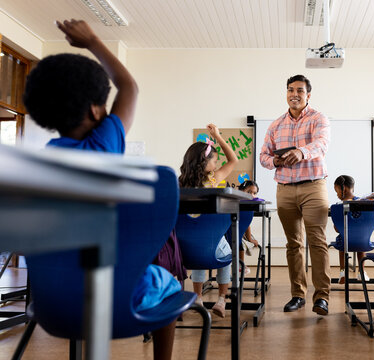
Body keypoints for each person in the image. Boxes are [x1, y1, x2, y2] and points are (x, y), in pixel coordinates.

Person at [23, 19, 177, 360]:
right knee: (168, 282)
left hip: (51, 301)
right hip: (118, 297)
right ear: (96, 109)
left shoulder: (40, 167)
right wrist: (92, 40)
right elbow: (129, 87)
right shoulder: (102, 146)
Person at [260, 74, 331, 315]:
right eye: (291, 90)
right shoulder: (275, 125)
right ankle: (298, 294)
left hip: (313, 186)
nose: (295, 94)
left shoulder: (319, 118)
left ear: (308, 95)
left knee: (317, 241)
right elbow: (263, 157)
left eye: (300, 90)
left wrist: (301, 152)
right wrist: (274, 160)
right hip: (285, 188)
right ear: (286, 93)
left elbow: (322, 143)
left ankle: (321, 297)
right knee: (294, 244)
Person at [178, 123, 239, 318]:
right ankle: (222, 299)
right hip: (211, 245)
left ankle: (197, 297)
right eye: (214, 160)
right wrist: (218, 137)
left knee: (197, 249)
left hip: (184, 249)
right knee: (225, 252)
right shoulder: (213, 180)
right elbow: (233, 160)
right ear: (204, 163)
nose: (217, 163)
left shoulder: (179, 184)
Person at [330, 175, 371, 284]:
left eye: (337, 191)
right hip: (362, 241)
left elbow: (337, 229)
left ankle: (343, 271)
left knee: (342, 238)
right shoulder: (364, 203)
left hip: (345, 242)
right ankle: (361, 271)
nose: (337, 194)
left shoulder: (338, 206)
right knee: (361, 240)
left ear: (344, 189)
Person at [237, 180, 260, 274]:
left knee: (240, 240)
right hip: (230, 234)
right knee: (239, 242)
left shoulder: (249, 207)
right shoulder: (234, 203)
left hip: (239, 234)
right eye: (249, 192)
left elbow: (246, 224)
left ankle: (240, 264)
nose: (252, 195)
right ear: (241, 191)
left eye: (254, 193)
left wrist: (250, 239)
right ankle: (240, 264)